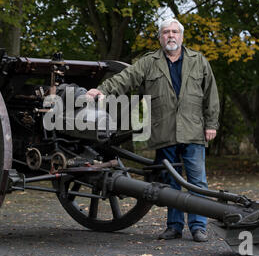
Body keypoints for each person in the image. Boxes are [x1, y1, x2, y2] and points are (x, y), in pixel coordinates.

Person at [86, 18, 220, 242]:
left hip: (193, 130)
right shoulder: (149, 62)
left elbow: (211, 95)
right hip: (164, 132)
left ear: (181, 36)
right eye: (166, 32)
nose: (170, 36)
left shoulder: (199, 61)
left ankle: (199, 227)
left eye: (174, 32)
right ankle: (174, 226)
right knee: (170, 183)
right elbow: (125, 79)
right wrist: (100, 90)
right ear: (160, 37)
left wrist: (211, 124)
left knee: (198, 181)